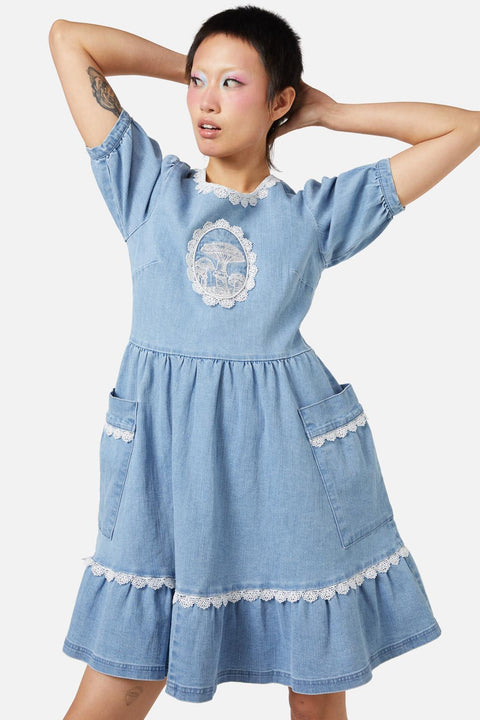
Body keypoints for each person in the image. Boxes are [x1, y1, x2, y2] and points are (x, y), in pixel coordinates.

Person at [49, 6, 479, 720]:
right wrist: (191, 70)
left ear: (281, 101)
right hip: (162, 472)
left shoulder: (311, 215)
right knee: (119, 683)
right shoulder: (147, 188)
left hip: (287, 474)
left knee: (315, 694)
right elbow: (69, 40)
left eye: (233, 83)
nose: (207, 102)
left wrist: (329, 113)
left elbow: (464, 128)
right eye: (199, 83)